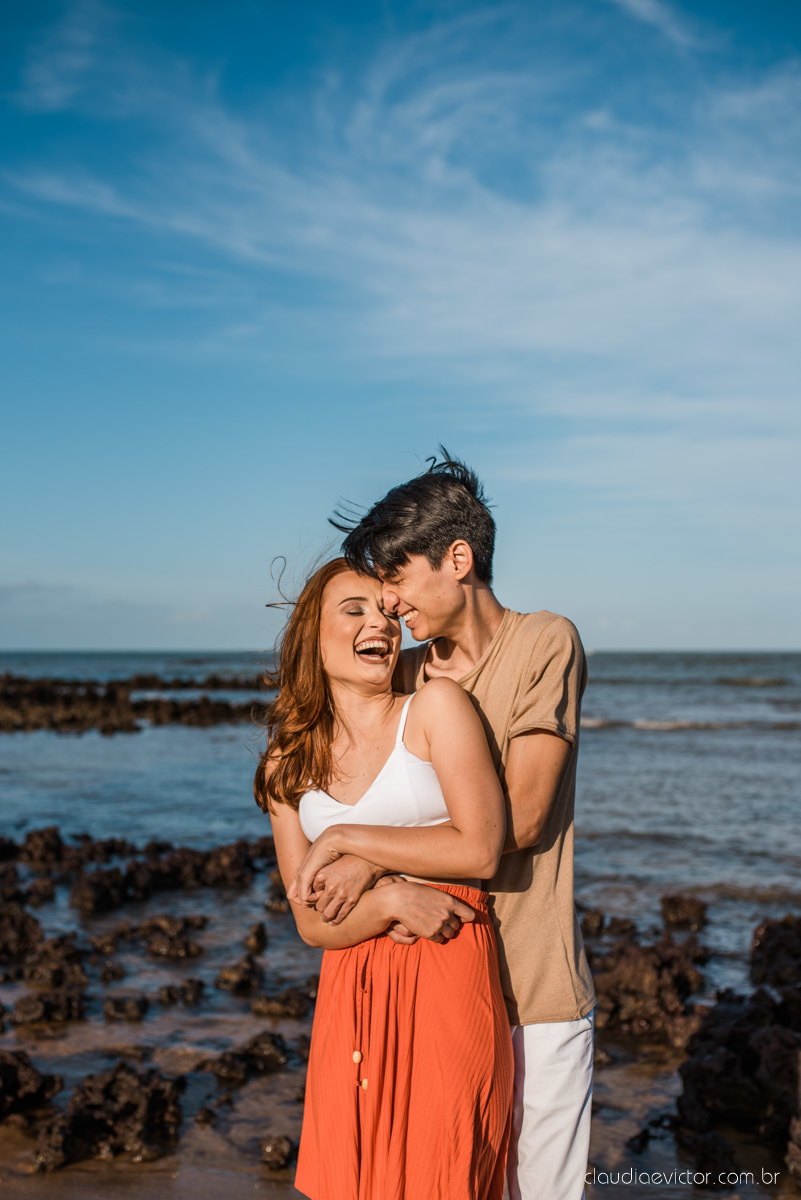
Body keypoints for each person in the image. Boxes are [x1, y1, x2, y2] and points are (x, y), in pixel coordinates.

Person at [310, 450, 596, 1200]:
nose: (389, 603)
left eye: (398, 577)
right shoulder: (403, 677)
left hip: (532, 990)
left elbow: (520, 821)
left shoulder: (543, 643)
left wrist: (360, 852)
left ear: (458, 560)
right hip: (433, 984)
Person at [253, 556, 514, 1200]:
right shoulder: (288, 759)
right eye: (355, 611)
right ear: (313, 636)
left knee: (445, 1168)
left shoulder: (434, 708)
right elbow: (308, 920)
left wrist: (349, 842)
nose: (381, 624)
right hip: (350, 981)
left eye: (389, 612)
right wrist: (391, 898)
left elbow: (482, 848)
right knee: (353, 1174)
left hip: (446, 953)